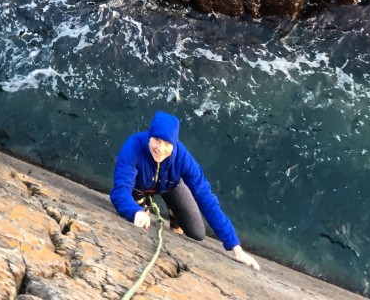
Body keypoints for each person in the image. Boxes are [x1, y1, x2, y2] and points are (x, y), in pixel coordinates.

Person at [110, 110, 259, 269]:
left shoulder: (183, 158)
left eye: (167, 143)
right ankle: (141, 203)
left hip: (169, 185)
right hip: (139, 186)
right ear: (149, 136)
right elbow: (120, 191)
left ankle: (173, 210)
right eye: (157, 140)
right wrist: (134, 210)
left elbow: (206, 198)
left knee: (197, 233)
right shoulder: (133, 146)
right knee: (139, 220)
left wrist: (235, 247)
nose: (161, 148)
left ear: (174, 144)